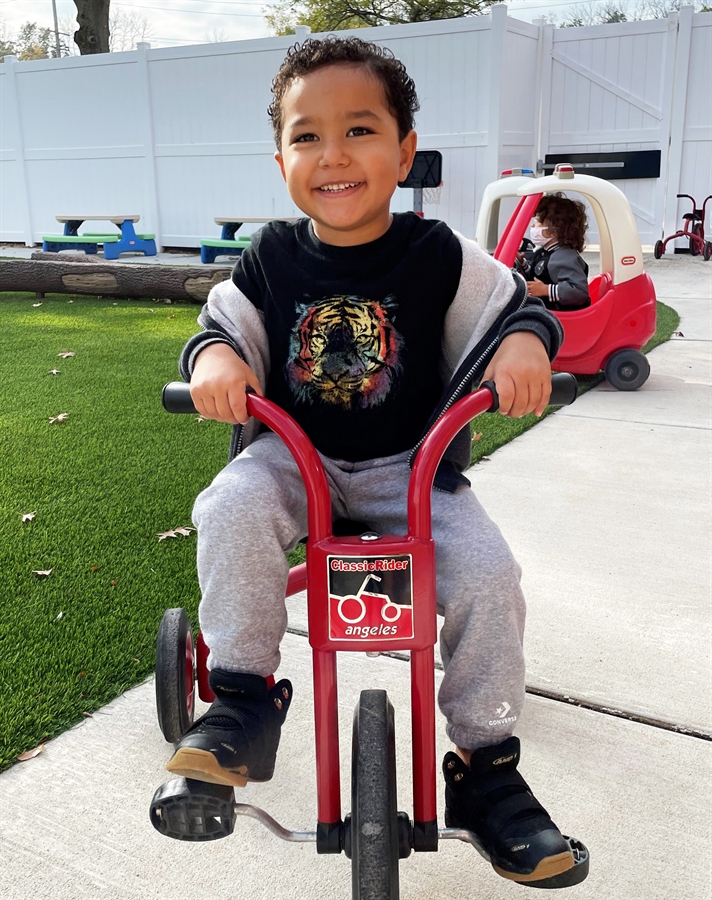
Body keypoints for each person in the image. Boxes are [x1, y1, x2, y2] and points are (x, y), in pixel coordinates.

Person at [168, 37, 580, 885]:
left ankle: (486, 769)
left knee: (487, 573)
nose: (334, 154)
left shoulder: (437, 254)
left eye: (360, 130)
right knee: (229, 506)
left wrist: (526, 348)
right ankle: (244, 700)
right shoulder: (272, 257)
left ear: (404, 151)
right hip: (296, 462)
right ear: (280, 156)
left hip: (413, 469)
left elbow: (517, 311)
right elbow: (220, 330)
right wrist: (215, 363)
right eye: (307, 135)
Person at [518, 194, 591, 310]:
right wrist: (523, 264)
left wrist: (546, 290)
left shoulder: (565, 257)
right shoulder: (544, 252)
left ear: (554, 231)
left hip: (560, 316)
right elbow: (538, 275)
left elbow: (579, 292)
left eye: (537, 221)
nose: (532, 225)